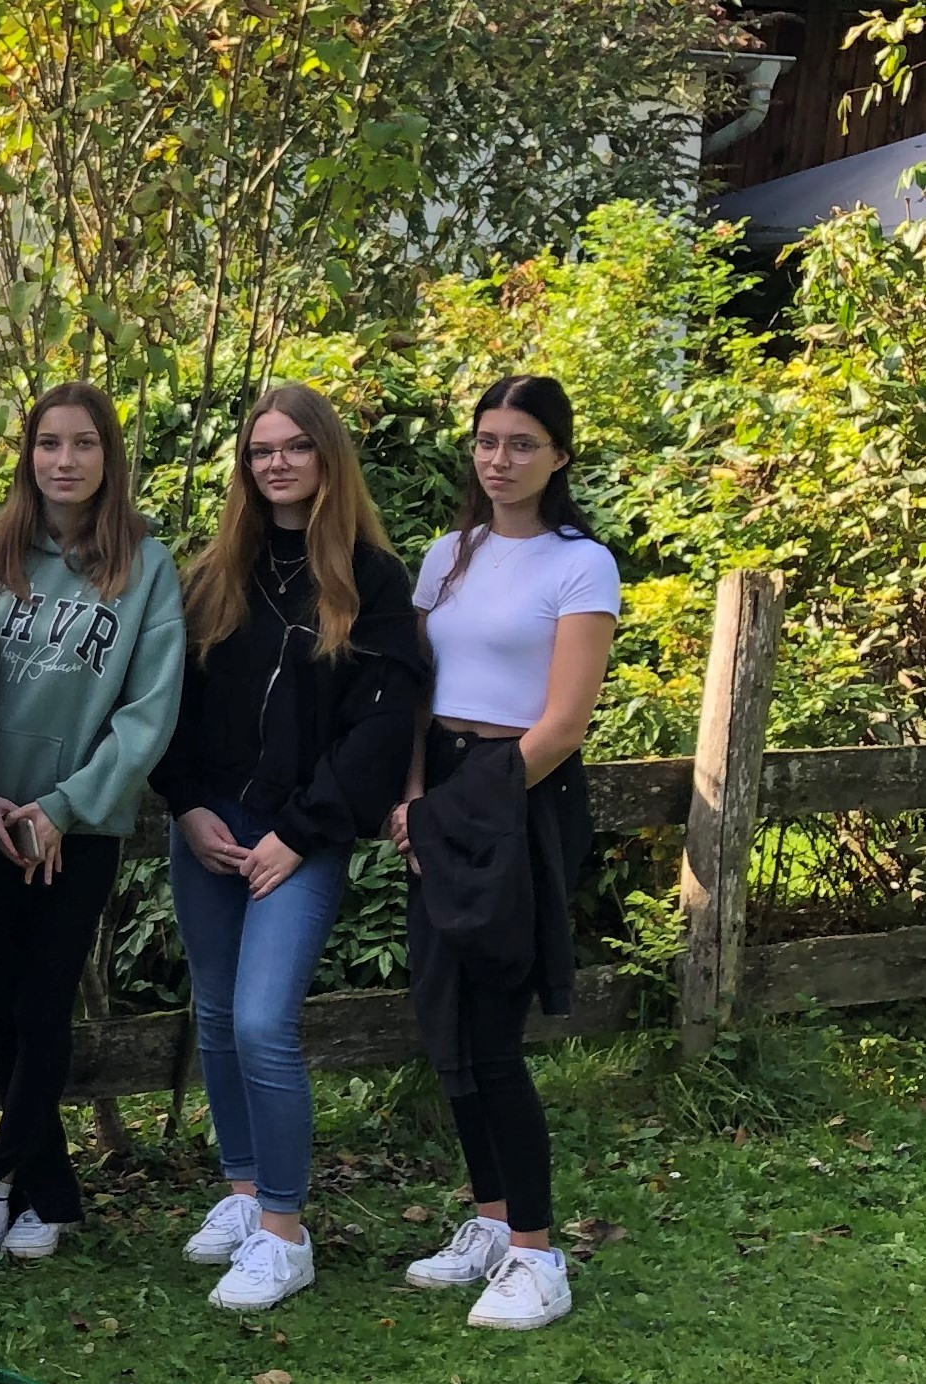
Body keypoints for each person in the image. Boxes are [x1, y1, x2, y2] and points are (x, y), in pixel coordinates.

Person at [151, 385, 428, 1311]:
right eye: (261, 449)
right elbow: (170, 707)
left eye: (294, 448)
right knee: (219, 1014)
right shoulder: (214, 575)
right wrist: (185, 806)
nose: (275, 463)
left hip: (301, 831)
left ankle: (284, 1229)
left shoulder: (371, 580)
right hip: (209, 828)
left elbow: (381, 729)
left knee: (267, 1022)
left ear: (327, 458)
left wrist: (300, 835)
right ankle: (239, 1194)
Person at [0, 385, 187, 1269]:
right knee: (4, 1007)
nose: (63, 461)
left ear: (109, 457)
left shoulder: (145, 565)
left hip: (81, 824)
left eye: (82, 445)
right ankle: (47, 1191)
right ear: (27, 454)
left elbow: (149, 710)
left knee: (46, 999)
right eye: (47, 444)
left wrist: (65, 807)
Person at [392, 376, 618, 1332]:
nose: (499, 459)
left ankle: (537, 1253)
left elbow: (563, 725)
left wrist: (453, 811)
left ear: (559, 456)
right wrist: (411, 799)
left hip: (516, 794)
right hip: (440, 786)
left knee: (492, 1034)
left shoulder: (582, 565)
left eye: (523, 443)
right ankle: (488, 1221)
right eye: (487, 440)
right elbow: (413, 691)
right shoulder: (447, 555)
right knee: (443, 1023)